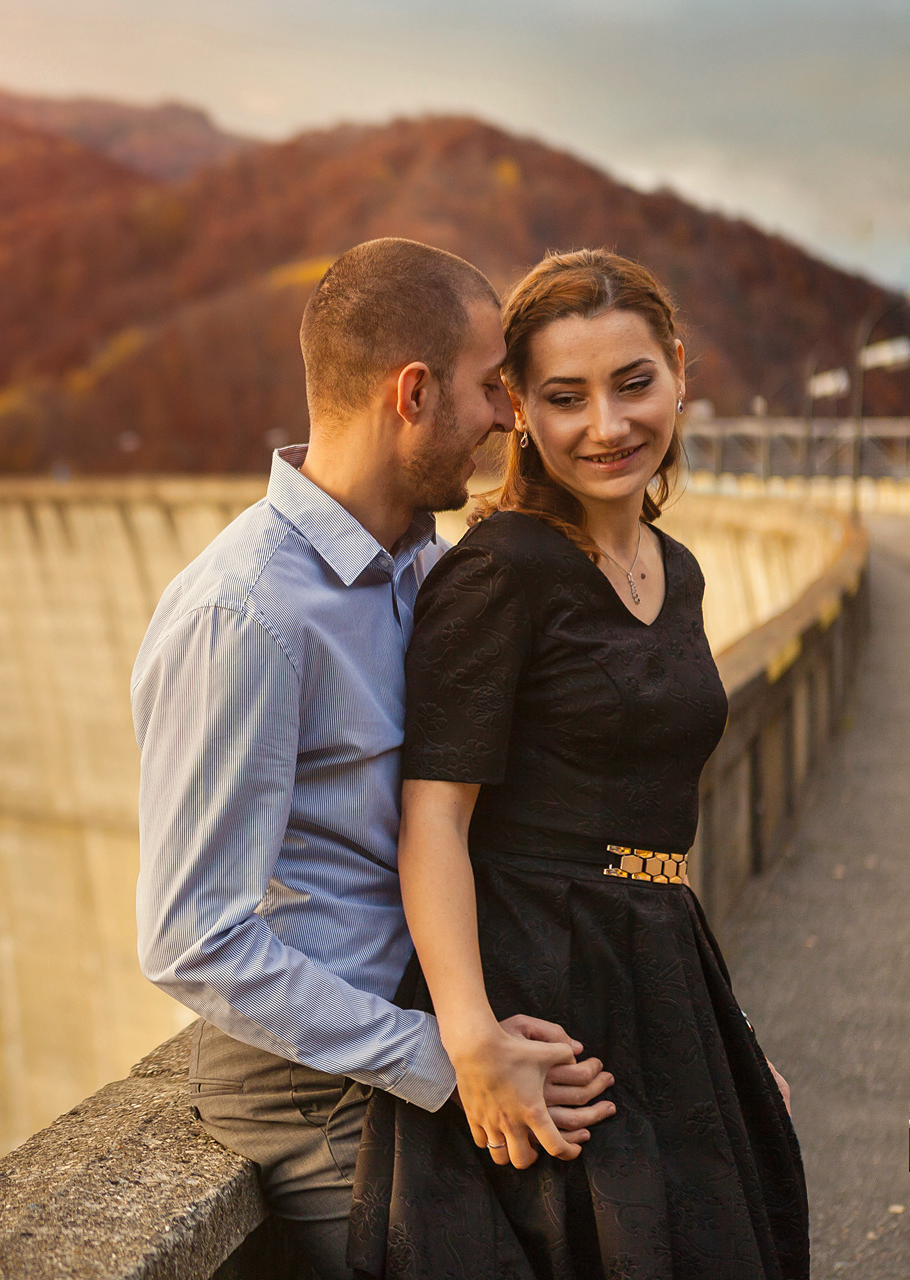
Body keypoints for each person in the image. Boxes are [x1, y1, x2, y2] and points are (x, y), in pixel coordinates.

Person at [131, 237, 617, 1280]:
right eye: (490, 387)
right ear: (412, 392)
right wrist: (439, 1056)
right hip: (316, 1084)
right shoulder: (248, 614)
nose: (506, 415)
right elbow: (191, 934)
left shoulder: (427, 575)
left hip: (440, 1024)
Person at [347, 249, 808, 1279]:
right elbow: (433, 821)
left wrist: (725, 1040)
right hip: (540, 990)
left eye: (634, 382)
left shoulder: (674, 570)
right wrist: (470, 1044)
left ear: (680, 372)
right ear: (517, 407)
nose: (606, 425)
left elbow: (653, 826)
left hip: (660, 963)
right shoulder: (499, 572)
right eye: (566, 397)